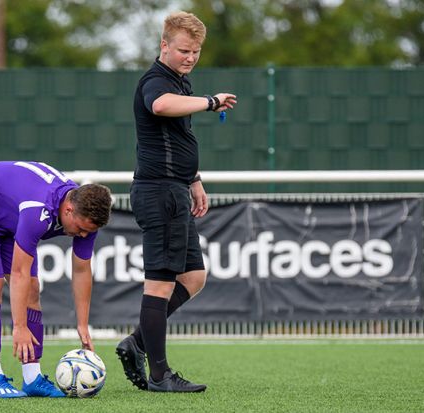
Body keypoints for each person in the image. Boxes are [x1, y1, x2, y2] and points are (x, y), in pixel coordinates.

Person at [116, 11, 236, 393]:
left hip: (176, 190)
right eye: (184, 50)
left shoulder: (180, 82)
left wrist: (195, 180)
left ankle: (136, 342)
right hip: (159, 193)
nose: (190, 57)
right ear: (164, 45)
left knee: (193, 277)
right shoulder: (156, 81)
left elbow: (178, 139)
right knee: (159, 285)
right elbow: (160, 107)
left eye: (196, 51)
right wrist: (210, 101)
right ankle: (159, 375)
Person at [0, 160, 112, 398]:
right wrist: (20, 326)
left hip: (8, 215)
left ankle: (32, 377)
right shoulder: (38, 209)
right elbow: (18, 273)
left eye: (88, 231)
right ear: (68, 210)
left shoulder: (85, 216)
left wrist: (82, 323)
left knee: (33, 290)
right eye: (80, 229)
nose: (83, 235)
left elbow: (81, 270)